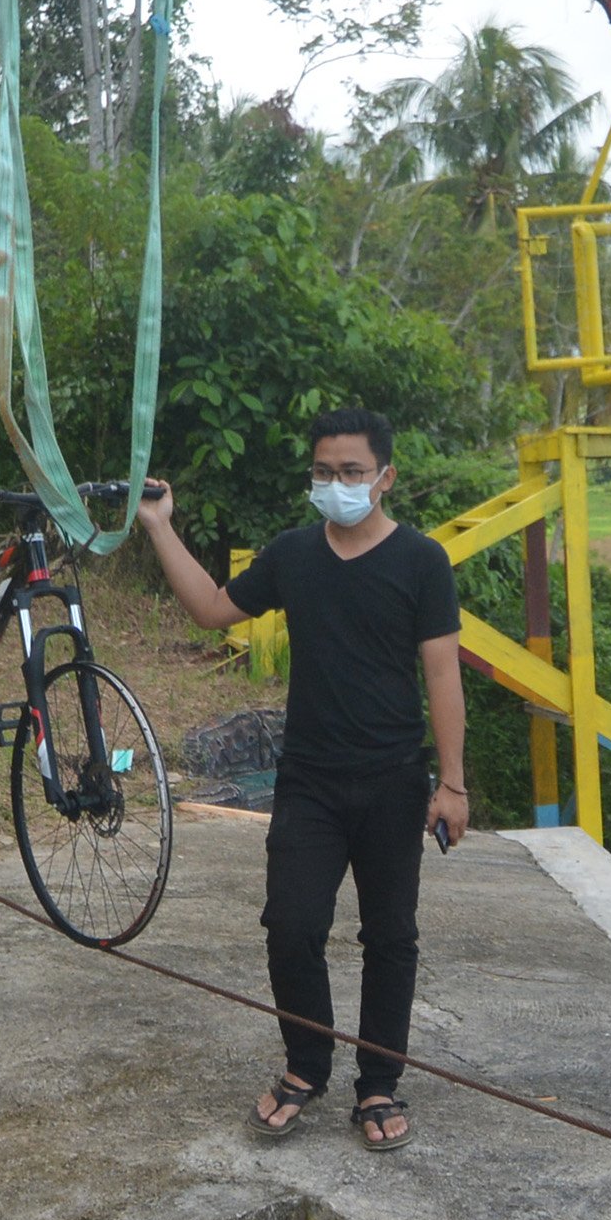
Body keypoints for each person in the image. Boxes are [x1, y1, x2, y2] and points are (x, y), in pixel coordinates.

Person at [141, 408, 466, 1153]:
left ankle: (379, 1081)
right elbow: (213, 607)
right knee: (291, 925)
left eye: (352, 471)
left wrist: (452, 784)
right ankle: (305, 1066)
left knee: (391, 936)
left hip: (392, 780)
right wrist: (160, 525)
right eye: (324, 471)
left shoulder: (421, 561)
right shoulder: (293, 555)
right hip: (310, 782)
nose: (337, 483)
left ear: (386, 477)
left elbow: (442, 674)